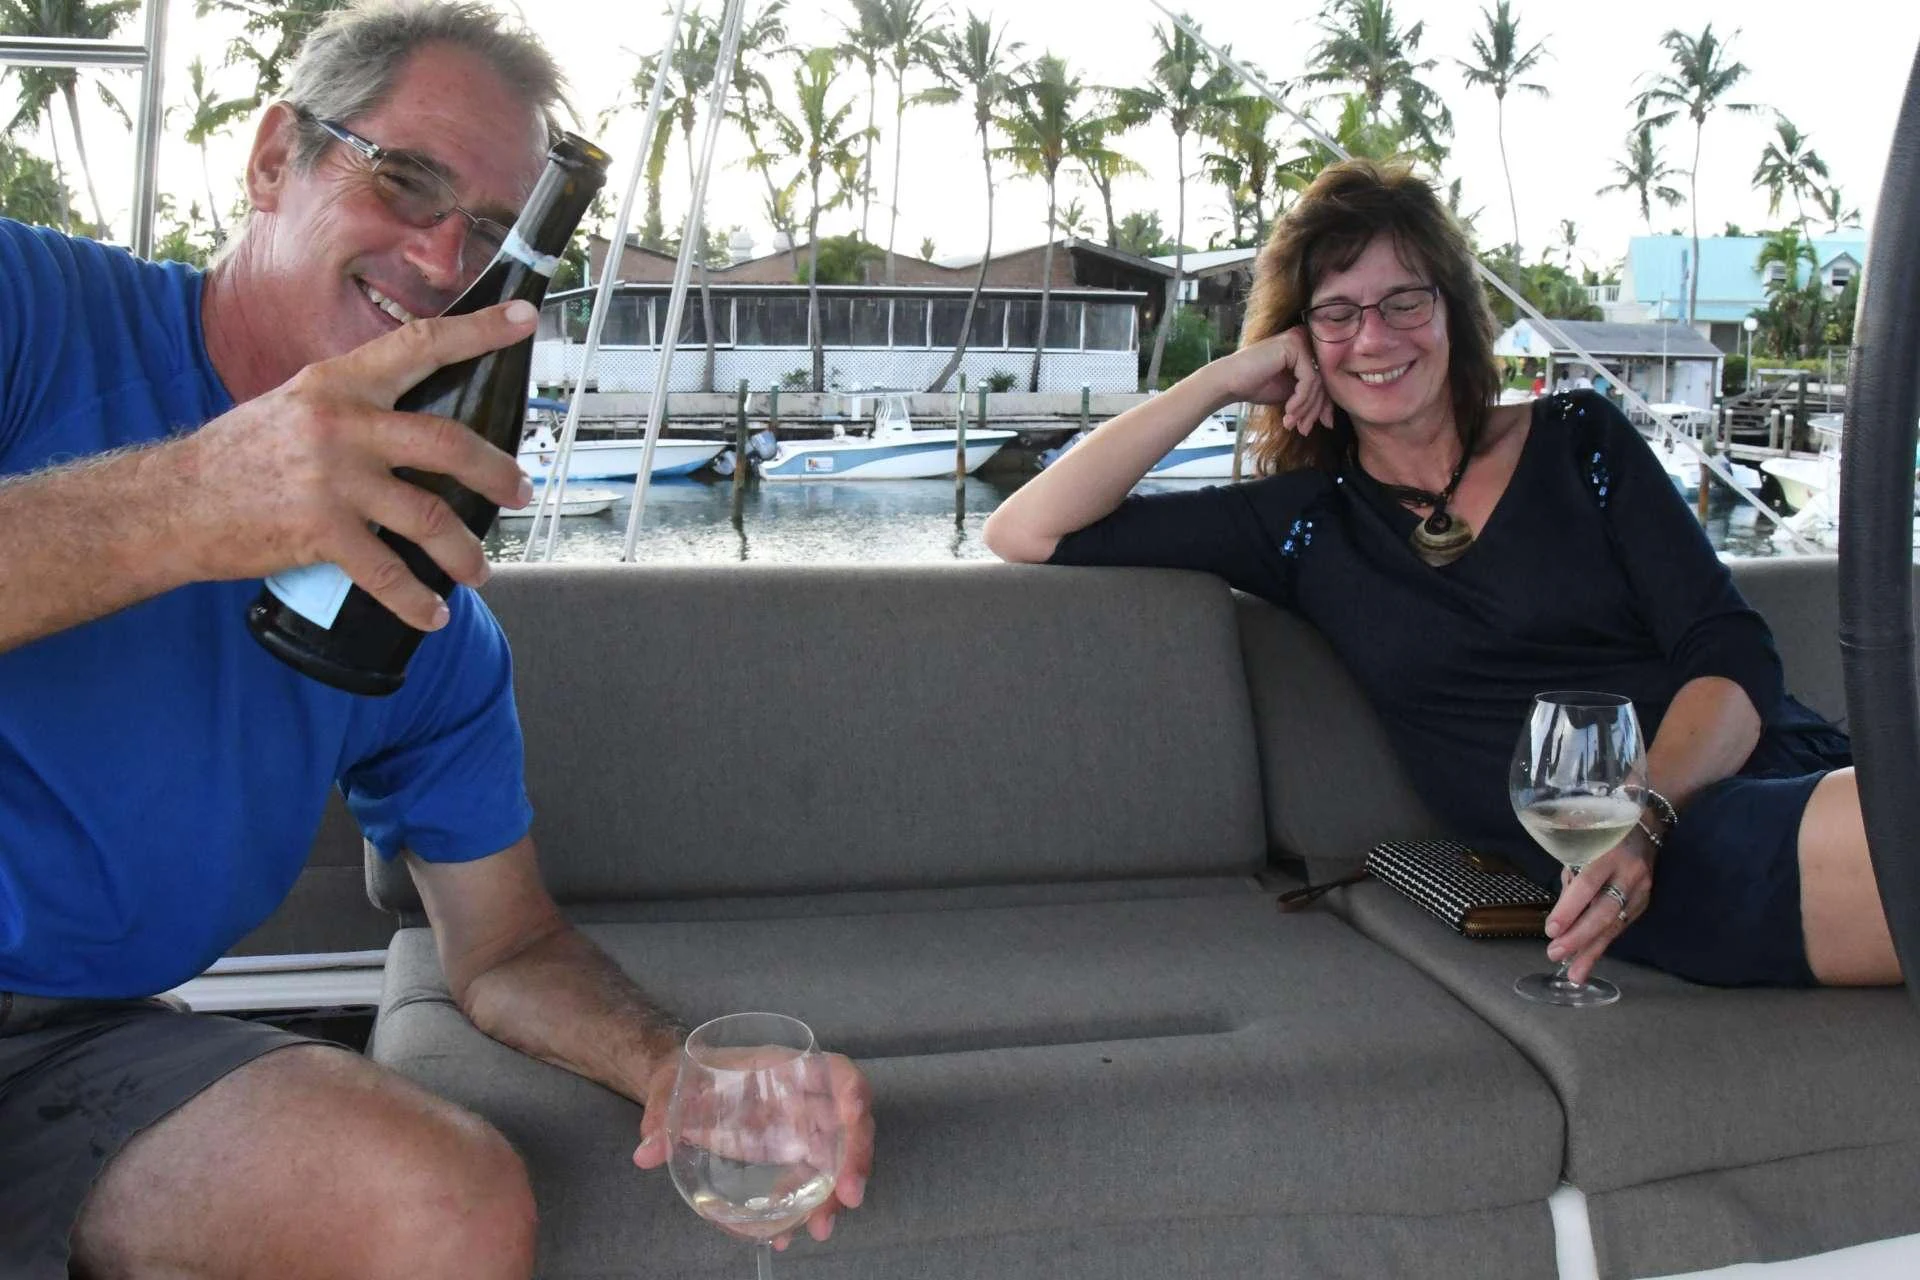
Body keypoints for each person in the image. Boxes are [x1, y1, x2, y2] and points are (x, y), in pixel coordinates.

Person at [0, 3, 871, 1276]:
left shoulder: (426, 617)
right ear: (271, 160)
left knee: (446, 1205)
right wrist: (193, 499)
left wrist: (673, 1066)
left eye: (498, 237)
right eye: (405, 178)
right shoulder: (32, 311)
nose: (440, 254)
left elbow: (505, 944)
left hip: (82, 1045)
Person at [985, 158, 1900, 994]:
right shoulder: (1303, 523)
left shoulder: (1579, 440)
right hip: (1615, 871)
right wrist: (1218, 381)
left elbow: (1729, 649)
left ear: (1454, 313)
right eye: (1336, 313)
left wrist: (1645, 813)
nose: (1374, 337)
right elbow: (1027, 528)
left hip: (1719, 788)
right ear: (1301, 344)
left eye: (1404, 302)